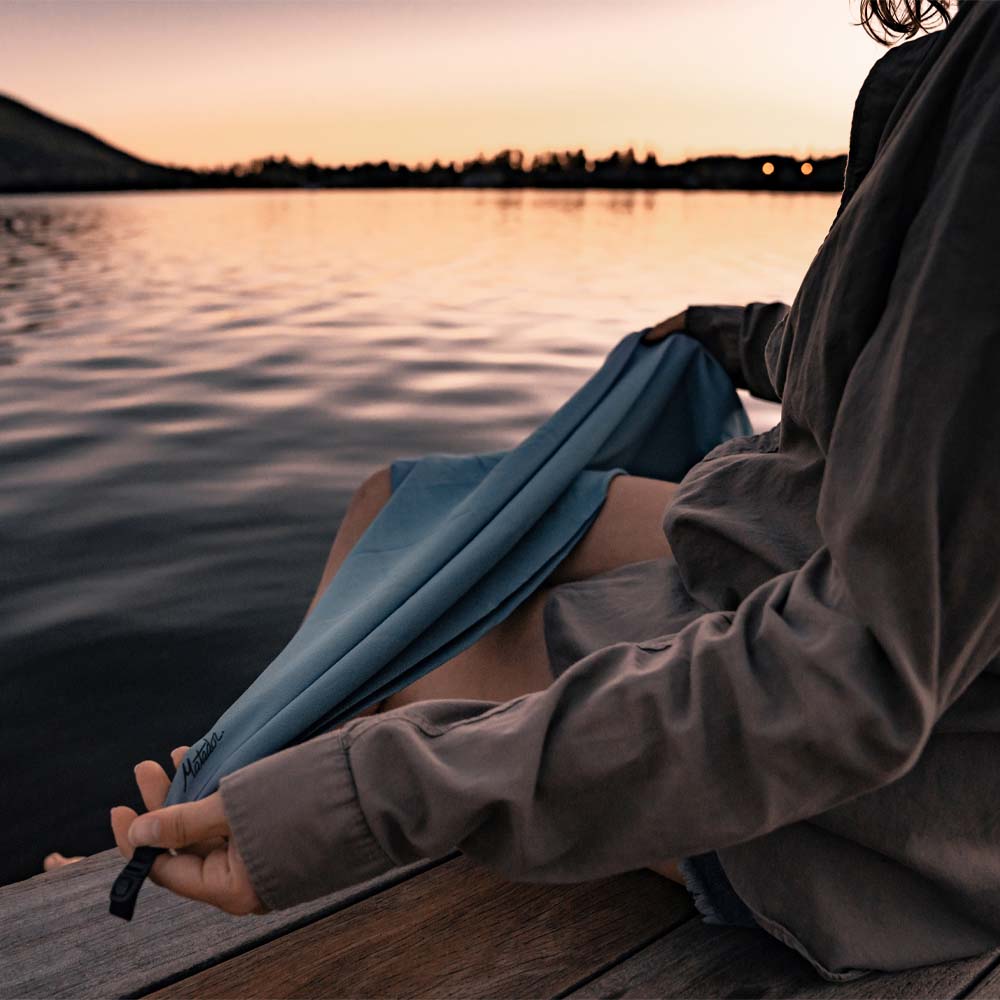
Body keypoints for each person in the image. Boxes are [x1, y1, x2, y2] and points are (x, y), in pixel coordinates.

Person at [77, 0, 1000, 982]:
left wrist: (376, 790)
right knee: (399, 505)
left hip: (916, 804)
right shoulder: (966, 65)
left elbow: (855, 672)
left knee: (403, 672)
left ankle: (191, 832)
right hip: (847, 559)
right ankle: (224, 791)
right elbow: (911, 367)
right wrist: (725, 333)